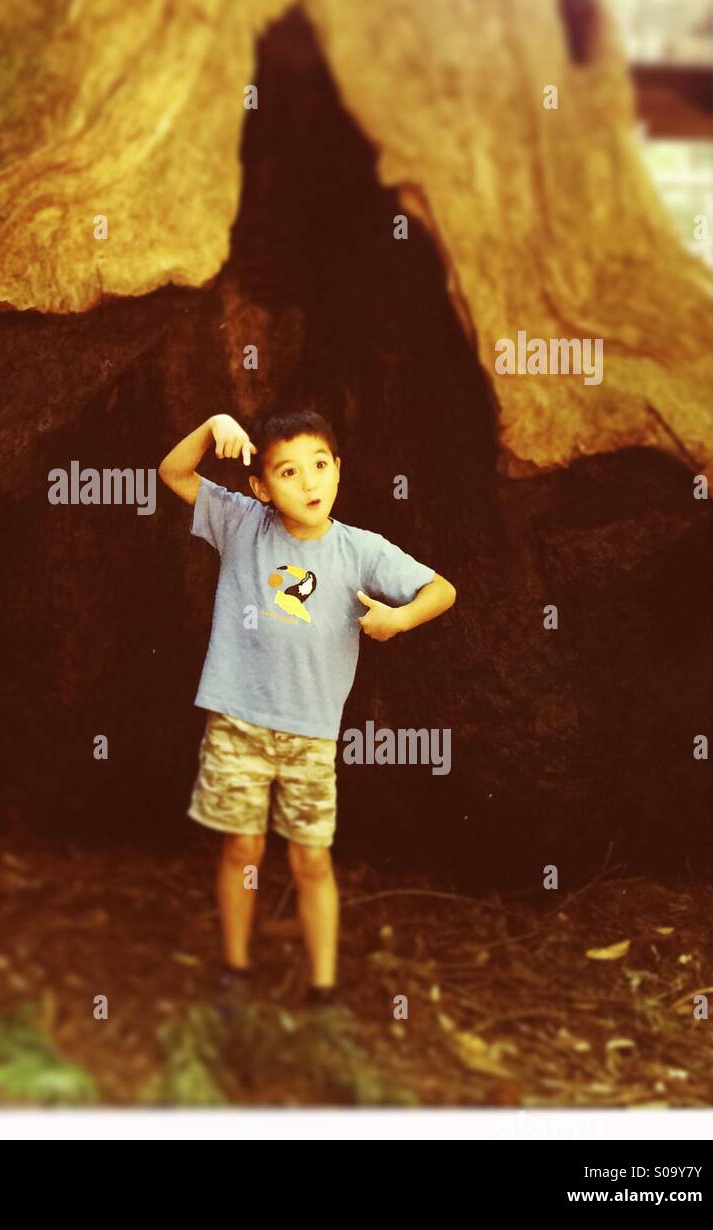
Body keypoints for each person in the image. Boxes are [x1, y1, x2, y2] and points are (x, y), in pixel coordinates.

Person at [157, 411, 456, 1011]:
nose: (309, 483)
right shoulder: (242, 524)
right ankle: (236, 970)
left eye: (320, 465)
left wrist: (398, 619)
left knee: (310, 858)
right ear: (261, 488)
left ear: (339, 470)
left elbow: (441, 590)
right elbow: (172, 471)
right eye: (289, 473)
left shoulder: (359, 550)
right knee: (242, 849)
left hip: (311, 735)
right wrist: (215, 422)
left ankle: (323, 986)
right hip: (238, 719)